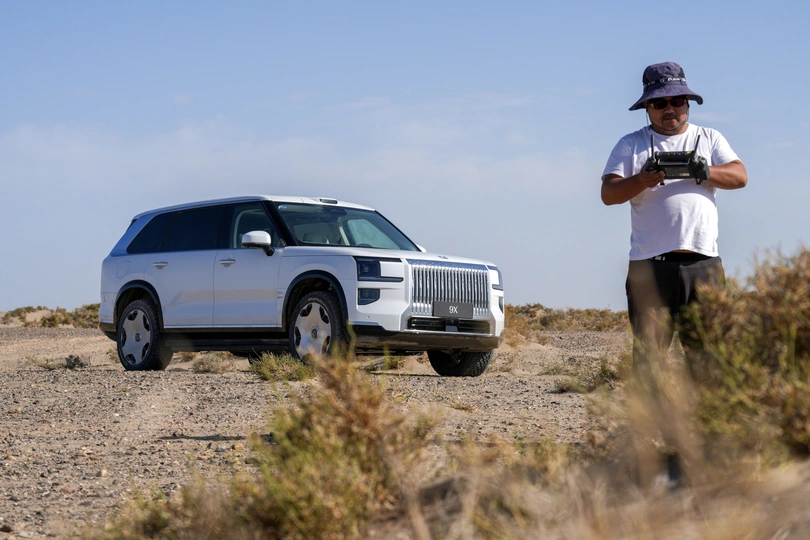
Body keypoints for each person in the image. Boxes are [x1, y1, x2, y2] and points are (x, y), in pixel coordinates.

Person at [601, 61, 748, 486]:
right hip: (650, 269)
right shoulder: (631, 144)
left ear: (688, 102)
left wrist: (706, 172)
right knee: (650, 360)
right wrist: (644, 180)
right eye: (661, 102)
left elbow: (740, 176)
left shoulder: (710, 139)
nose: (671, 109)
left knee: (709, 360)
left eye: (678, 101)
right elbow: (609, 193)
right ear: (647, 107)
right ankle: (647, 453)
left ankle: (709, 447)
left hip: (704, 266)